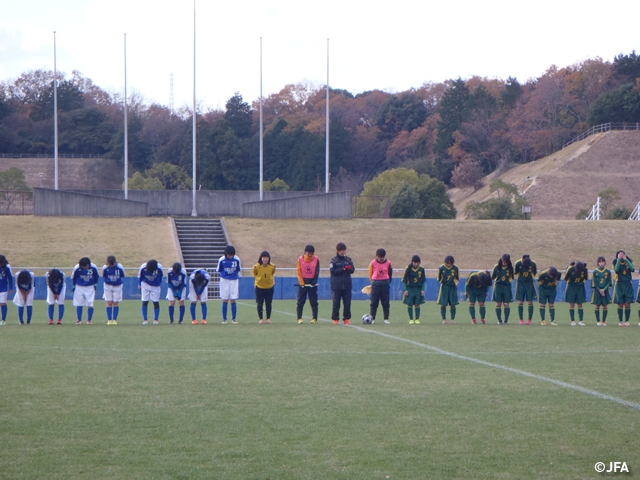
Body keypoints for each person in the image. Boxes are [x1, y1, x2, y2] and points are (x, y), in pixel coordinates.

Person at [330, 243, 355, 325]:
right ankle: (336, 319)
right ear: (338, 251)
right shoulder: (334, 260)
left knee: (347, 303)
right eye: (341, 250)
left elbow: (352, 270)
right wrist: (343, 269)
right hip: (336, 286)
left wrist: (349, 268)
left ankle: (347, 319)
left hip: (347, 285)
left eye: (344, 250)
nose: (343, 252)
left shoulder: (349, 260)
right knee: (336, 303)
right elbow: (333, 271)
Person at [217, 245, 242, 324]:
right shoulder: (221, 260)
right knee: (225, 299)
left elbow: (238, 269)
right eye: (229, 255)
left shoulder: (237, 259)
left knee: (233, 299)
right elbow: (219, 270)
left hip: (234, 280)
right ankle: (224, 319)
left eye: (232, 255)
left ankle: (234, 319)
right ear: (226, 254)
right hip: (224, 280)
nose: (231, 256)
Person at [297, 245, 320, 324]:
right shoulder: (300, 259)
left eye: (311, 253)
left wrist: (314, 282)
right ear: (305, 252)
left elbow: (317, 271)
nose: (310, 254)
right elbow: (299, 271)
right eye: (308, 253)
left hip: (312, 283)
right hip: (303, 283)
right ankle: (299, 318)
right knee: (300, 301)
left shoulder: (316, 259)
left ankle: (314, 318)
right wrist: (302, 283)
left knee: (314, 302)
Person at [72, 257, 99, 325]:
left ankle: (89, 320)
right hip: (79, 287)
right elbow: (74, 277)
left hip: (90, 287)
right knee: (79, 303)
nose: (84, 267)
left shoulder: (93, 267)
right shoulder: (77, 268)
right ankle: (79, 320)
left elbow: (96, 276)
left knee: (90, 303)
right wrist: (74, 286)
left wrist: (95, 284)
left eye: (85, 266)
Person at [369, 248, 392, 325]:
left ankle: (386, 318)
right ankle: (372, 318)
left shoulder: (388, 263)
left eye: (382, 257)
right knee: (374, 302)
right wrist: (372, 281)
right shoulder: (373, 262)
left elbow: (390, 272)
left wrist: (388, 281)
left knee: (385, 302)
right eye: (379, 257)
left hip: (385, 284)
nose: (380, 258)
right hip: (376, 284)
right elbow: (371, 272)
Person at [612, 251, 635, 326]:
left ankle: (627, 320)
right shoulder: (615, 262)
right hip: (620, 284)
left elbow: (632, 269)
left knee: (627, 303)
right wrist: (618, 259)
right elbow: (616, 270)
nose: (622, 256)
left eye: (623, 254)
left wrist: (626, 260)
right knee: (620, 303)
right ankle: (621, 321)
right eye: (620, 254)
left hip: (628, 284)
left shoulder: (628, 262)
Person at [253, 251, 276, 324]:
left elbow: (272, 273)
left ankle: (268, 318)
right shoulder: (257, 266)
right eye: (264, 258)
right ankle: (261, 318)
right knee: (260, 303)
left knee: (268, 303)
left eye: (266, 258)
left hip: (269, 287)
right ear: (261, 258)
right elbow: (255, 273)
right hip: (259, 287)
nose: (265, 259)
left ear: (269, 258)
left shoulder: (272, 266)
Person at [138, 259, 164, 325]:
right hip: (145, 285)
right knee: (145, 301)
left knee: (155, 302)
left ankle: (156, 320)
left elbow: (161, 276)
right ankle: (145, 320)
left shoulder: (159, 267)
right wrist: (139, 284)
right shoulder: (143, 267)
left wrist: (158, 284)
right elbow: (140, 276)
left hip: (156, 286)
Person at [402, 255, 425, 324]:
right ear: (412, 262)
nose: (416, 264)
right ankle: (411, 319)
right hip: (410, 289)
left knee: (417, 304)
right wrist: (405, 289)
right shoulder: (408, 268)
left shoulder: (421, 269)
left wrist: (422, 290)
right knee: (410, 304)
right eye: (415, 262)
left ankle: (417, 319)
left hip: (418, 289)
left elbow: (423, 281)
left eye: (417, 263)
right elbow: (405, 280)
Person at [515, 254, 537, 325]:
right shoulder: (518, 263)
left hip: (529, 284)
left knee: (530, 302)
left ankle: (529, 320)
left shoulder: (533, 264)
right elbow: (516, 272)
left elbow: (534, 273)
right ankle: (521, 319)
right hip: (521, 283)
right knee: (520, 302)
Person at [102, 255, 125, 325]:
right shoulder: (105, 267)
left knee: (116, 302)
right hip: (108, 286)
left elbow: (122, 275)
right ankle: (109, 320)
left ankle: (114, 319)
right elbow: (104, 275)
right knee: (109, 302)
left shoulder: (120, 267)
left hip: (117, 286)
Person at [564, 261, 589, 326]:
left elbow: (586, 278)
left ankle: (581, 320)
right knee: (572, 304)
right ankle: (572, 320)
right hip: (571, 287)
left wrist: (583, 282)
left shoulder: (584, 270)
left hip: (580, 287)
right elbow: (565, 278)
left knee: (580, 304)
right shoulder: (570, 269)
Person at [492, 254, 514, 324]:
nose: (504, 263)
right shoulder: (496, 267)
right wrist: (498, 280)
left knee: (506, 304)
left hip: (506, 287)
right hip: (498, 286)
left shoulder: (510, 268)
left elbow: (512, 277)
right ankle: (499, 320)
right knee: (498, 304)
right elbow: (493, 277)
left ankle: (506, 320)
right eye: (503, 261)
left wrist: (508, 281)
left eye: (505, 261)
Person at [438, 255, 460, 324]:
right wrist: (444, 281)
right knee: (443, 304)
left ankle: (452, 319)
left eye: (451, 263)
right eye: (448, 263)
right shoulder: (441, 268)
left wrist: (455, 283)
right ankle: (444, 319)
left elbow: (457, 278)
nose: (449, 264)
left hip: (452, 287)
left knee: (453, 304)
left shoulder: (456, 268)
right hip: (444, 287)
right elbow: (439, 278)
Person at [591, 256, 612, 326]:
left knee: (605, 306)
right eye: (600, 262)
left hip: (605, 291)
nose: (601, 263)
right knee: (597, 305)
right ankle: (598, 321)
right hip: (597, 291)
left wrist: (604, 289)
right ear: (598, 263)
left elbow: (610, 282)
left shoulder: (608, 271)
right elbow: (594, 283)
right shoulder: (595, 272)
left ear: (605, 262)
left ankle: (604, 321)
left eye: (603, 262)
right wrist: (600, 289)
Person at [0, 255, 14, 326]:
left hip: (3, 289)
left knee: (3, 303)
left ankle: (3, 320)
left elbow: (10, 278)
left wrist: (11, 288)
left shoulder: (6, 269)